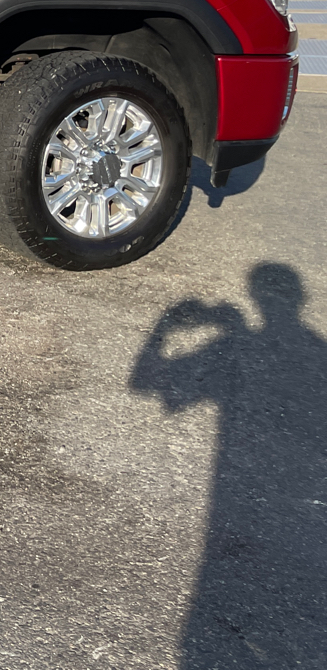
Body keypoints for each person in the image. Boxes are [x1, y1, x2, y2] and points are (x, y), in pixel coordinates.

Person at [129, 264, 327, 668]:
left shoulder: (235, 345)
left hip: (244, 520)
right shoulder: (316, 347)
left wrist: (165, 328)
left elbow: (144, 383)